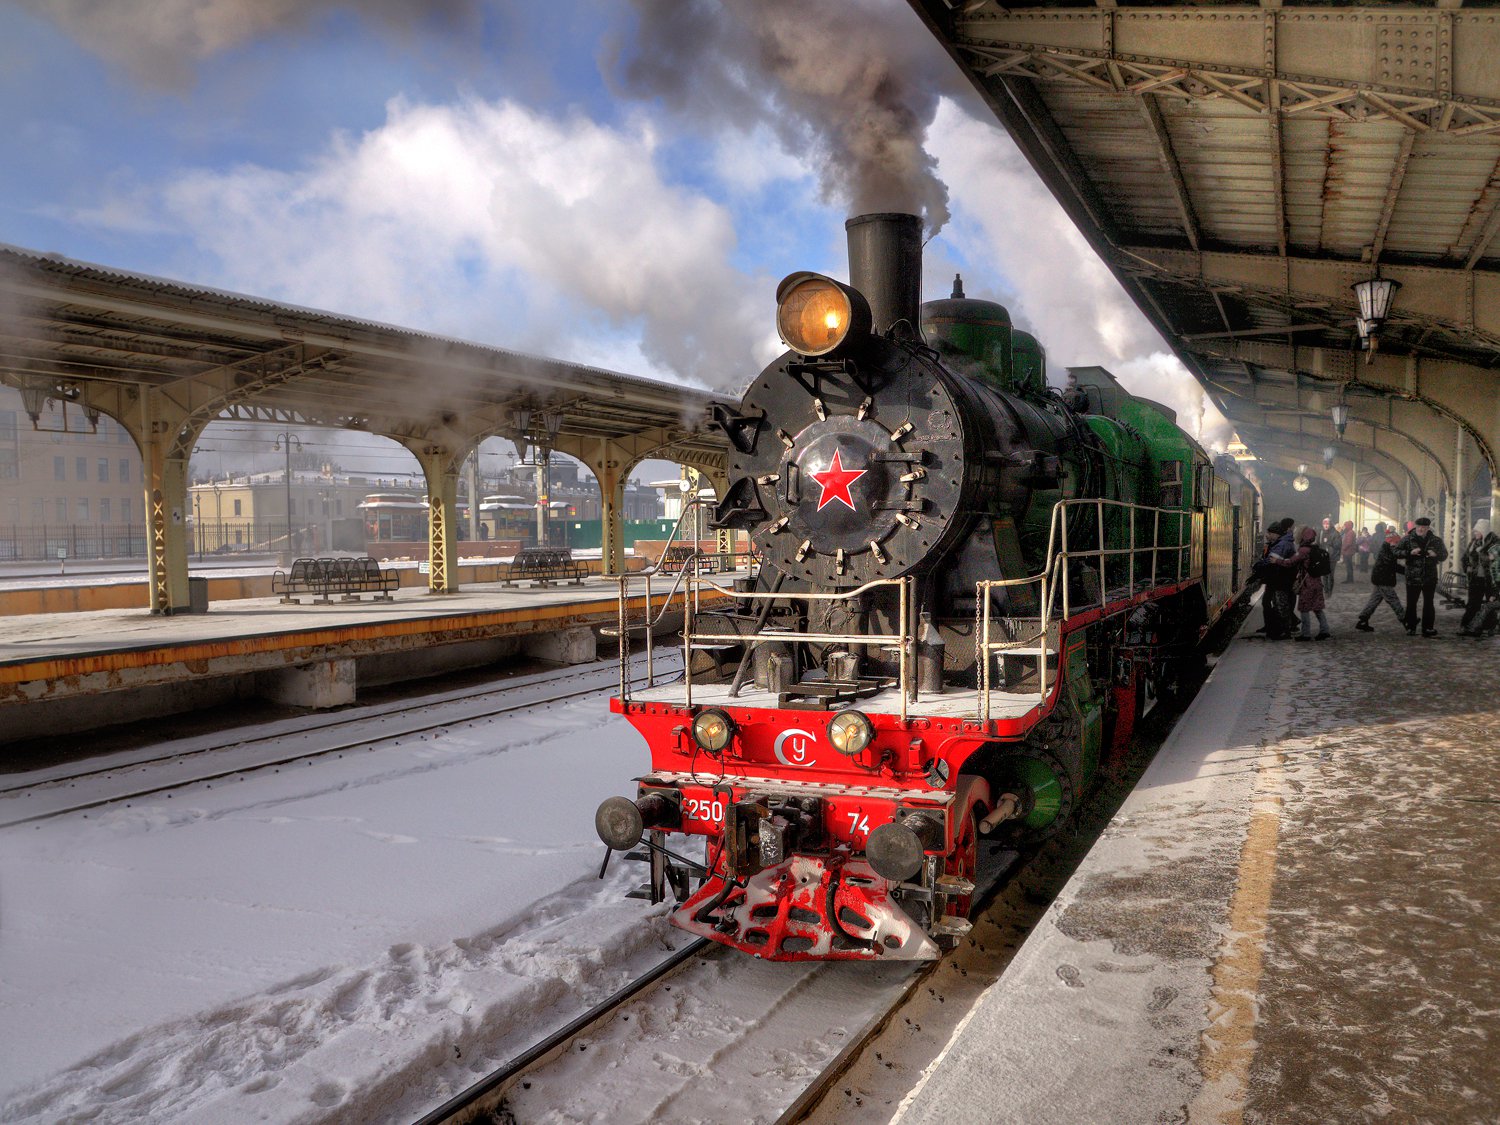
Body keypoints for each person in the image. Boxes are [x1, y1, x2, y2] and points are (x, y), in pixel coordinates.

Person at [1396, 517, 1449, 637]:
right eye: (1419, 526)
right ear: (1415, 527)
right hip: (1412, 577)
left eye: (1424, 527)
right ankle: (1411, 627)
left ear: (1428, 528)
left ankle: (1428, 628)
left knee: (1429, 603)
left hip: (1429, 577)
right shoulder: (1408, 539)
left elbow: (1444, 555)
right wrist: (1409, 553)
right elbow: (1396, 552)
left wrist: (1436, 554)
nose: (1421, 529)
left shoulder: (1436, 540)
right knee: (1411, 603)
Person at [1282, 526, 1331, 640]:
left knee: (1304, 608)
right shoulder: (1316, 548)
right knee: (1318, 608)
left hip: (1307, 583)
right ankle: (1325, 630)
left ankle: (1306, 634)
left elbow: (1290, 562)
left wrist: (1278, 560)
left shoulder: (1303, 550)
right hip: (1317, 582)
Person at [1354, 529, 1406, 632]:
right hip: (1383, 579)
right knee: (1393, 600)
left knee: (1374, 600)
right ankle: (1406, 620)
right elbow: (1393, 565)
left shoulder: (1386, 548)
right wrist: (1406, 571)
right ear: (1391, 541)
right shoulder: (1388, 550)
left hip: (1379, 578)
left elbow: (1393, 563)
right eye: (1396, 542)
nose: (1397, 544)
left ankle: (1363, 620)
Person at [1458, 519, 1500, 637]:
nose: (1475, 533)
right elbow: (1465, 557)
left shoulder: (1495, 542)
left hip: (1490, 580)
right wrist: (1467, 568)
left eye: (1477, 531)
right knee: (1472, 603)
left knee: (1489, 604)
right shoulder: (1474, 543)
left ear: (1484, 530)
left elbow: (1495, 559)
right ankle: (1468, 627)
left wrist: (1481, 553)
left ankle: (1487, 627)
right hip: (1475, 579)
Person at [1318, 517, 1342, 595]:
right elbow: (1318, 543)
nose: (1325, 525)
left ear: (1330, 524)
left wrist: (1330, 544)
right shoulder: (1321, 532)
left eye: (1327, 524)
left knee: (1330, 575)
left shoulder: (1335, 533)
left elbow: (1338, 545)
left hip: (1332, 557)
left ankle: (1330, 591)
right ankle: (1326, 590)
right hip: (1323, 557)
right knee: (1324, 575)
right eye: (1324, 524)